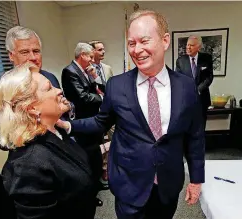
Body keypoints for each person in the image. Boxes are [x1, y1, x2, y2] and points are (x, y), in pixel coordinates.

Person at [58, 10, 205, 219]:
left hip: (168, 184)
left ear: (165, 41)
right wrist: (69, 126)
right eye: (131, 43)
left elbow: (195, 136)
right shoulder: (117, 85)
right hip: (129, 184)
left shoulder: (186, 87)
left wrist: (196, 179)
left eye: (144, 41)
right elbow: (101, 122)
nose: (137, 50)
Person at [0, 62, 97, 219]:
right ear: (32, 108)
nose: (59, 90)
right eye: (49, 88)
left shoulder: (55, 131)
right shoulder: (29, 165)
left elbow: (70, 161)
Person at [0, 26, 73, 148]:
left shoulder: (50, 77)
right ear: (11, 55)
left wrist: (67, 108)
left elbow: (62, 113)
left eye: (36, 51)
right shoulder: (0, 90)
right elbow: (0, 137)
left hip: (65, 145)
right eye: (24, 52)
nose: (33, 57)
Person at [61, 42, 107, 203]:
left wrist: (94, 77)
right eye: (90, 57)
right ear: (82, 55)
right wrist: (101, 98)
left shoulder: (86, 70)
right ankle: (90, 193)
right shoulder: (69, 71)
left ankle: (97, 182)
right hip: (82, 122)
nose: (92, 60)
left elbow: (98, 88)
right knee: (87, 156)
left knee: (96, 154)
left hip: (93, 119)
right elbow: (82, 98)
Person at [89, 40, 114, 183]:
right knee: (99, 142)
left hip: (110, 110)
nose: (103, 52)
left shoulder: (108, 68)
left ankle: (110, 165)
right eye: (99, 50)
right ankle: (103, 168)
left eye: (103, 49)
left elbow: (110, 88)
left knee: (113, 138)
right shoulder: (86, 69)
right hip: (95, 112)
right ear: (92, 52)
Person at [176, 35, 214, 127]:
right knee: (187, 128)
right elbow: (178, 79)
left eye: (192, 45)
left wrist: (198, 90)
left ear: (199, 47)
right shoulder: (180, 61)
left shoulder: (207, 58)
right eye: (187, 45)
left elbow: (209, 77)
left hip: (202, 100)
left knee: (200, 128)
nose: (188, 47)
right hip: (186, 100)